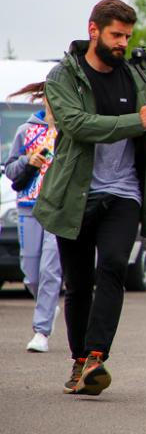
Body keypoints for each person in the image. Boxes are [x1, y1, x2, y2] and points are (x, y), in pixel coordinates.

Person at [33, 0, 146, 396]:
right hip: (76, 192)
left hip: (125, 193)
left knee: (112, 266)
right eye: (115, 35)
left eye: (127, 35)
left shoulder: (139, 74)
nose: (123, 43)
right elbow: (76, 125)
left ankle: (95, 356)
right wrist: (136, 121)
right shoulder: (64, 77)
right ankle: (78, 362)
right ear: (94, 30)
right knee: (77, 283)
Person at [3, 82, 61, 353]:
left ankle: (41, 330)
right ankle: (48, 306)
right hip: (28, 207)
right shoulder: (25, 131)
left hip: (58, 209)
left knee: (51, 270)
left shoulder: (70, 131)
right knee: (31, 273)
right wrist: (29, 162)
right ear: (45, 99)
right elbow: (11, 170)